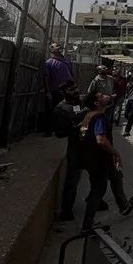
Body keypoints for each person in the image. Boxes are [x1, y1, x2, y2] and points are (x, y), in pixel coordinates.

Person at [79, 92, 133, 232]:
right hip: (100, 159)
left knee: (116, 176)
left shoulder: (89, 115)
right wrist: (115, 153)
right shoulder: (99, 118)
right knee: (98, 190)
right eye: (101, 96)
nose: (106, 96)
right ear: (96, 103)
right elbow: (100, 140)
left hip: (94, 157)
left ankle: (124, 205)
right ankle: (87, 225)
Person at [54, 85, 85, 221]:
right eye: (72, 90)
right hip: (76, 148)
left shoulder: (80, 102)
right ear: (64, 93)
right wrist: (75, 129)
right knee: (72, 180)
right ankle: (66, 210)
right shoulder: (61, 109)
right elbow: (59, 133)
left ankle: (96, 200)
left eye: (76, 88)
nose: (76, 91)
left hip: (87, 145)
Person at [42, 43, 75, 136]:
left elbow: (71, 75)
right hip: (54, 90)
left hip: (66, 90)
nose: (59, 47)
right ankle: (49, 130)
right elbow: (46, 77)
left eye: (59, 46)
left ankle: (62, 129)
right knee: (51, 110)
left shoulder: (66, 62)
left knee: (66, 110)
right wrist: (48, 92)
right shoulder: (49, 63)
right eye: (56, 46)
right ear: (51, 50)